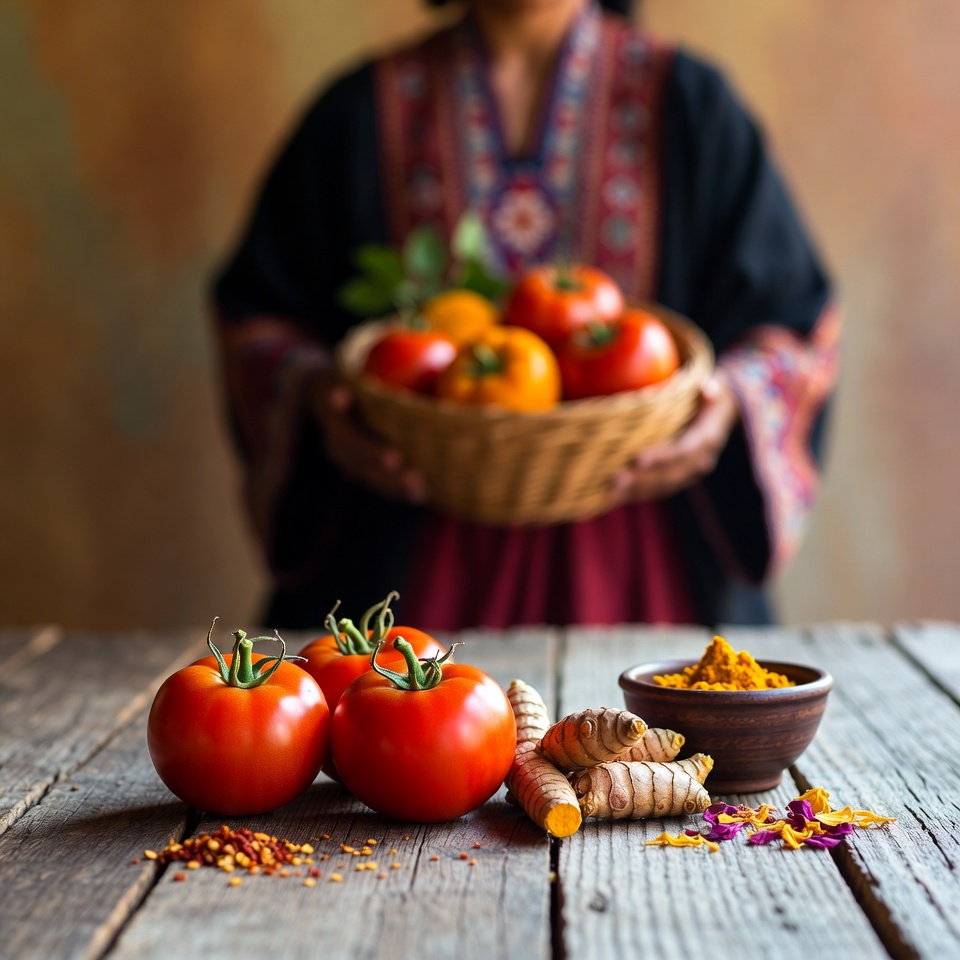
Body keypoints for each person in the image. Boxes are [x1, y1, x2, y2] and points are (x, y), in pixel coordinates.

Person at [210, 0, 840, 632]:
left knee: (656, 734)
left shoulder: (689, 103)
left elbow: (792, 326)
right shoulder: (359, 112)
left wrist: (726, 402)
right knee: (397, 726)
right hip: (405, 570)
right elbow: (259, 322)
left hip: (645, 565)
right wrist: (322, 398)